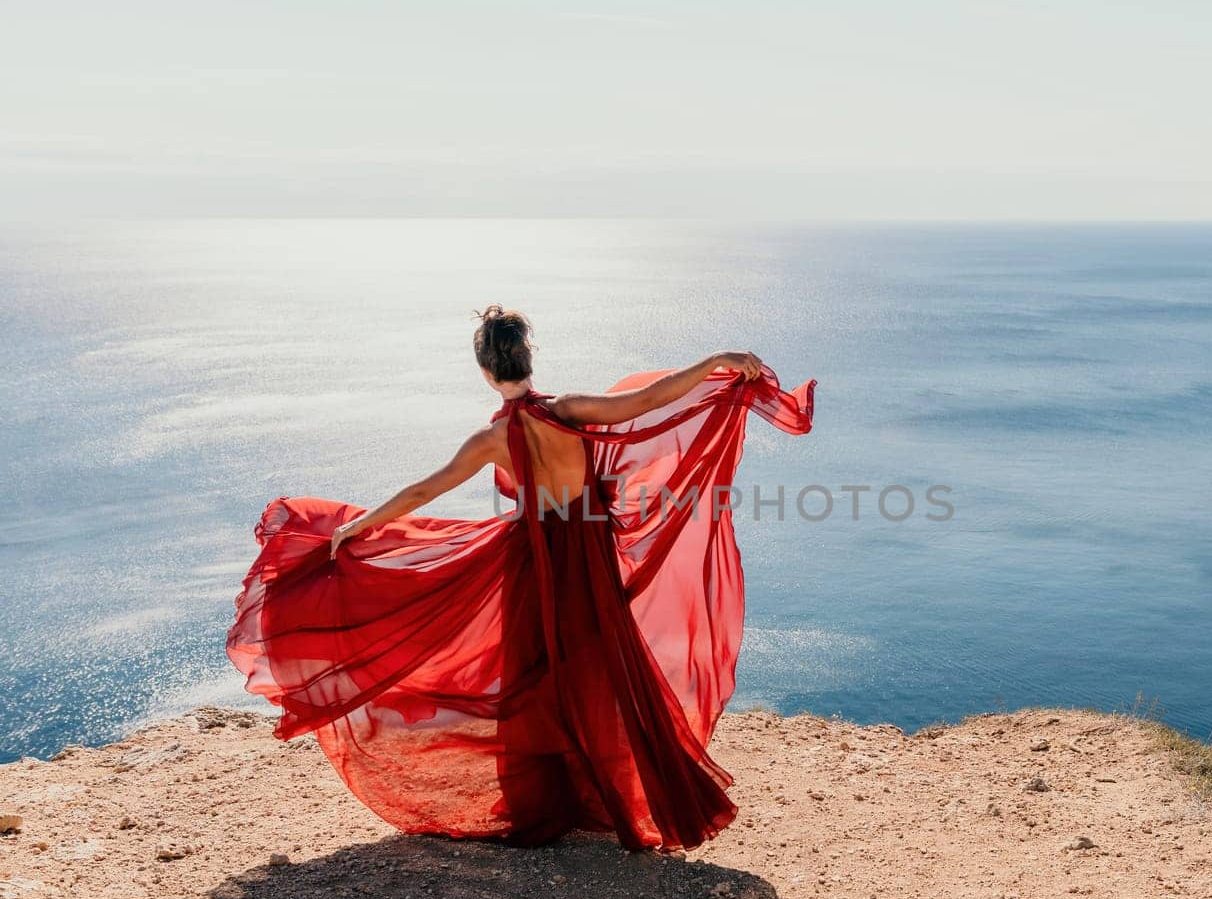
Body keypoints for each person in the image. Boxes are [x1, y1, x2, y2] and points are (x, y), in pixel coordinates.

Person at [226, 304, 815, 850]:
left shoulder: (491, 440)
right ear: (529, 361)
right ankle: (613, 796)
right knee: (602, 669)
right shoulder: (571, 411)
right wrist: (716, 361)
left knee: (531, 675)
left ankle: (543, 799)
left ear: (486, 373)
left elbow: (423, 490)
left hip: (532, 561)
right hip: (587, 559)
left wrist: (361, 528)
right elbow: (654, 399)